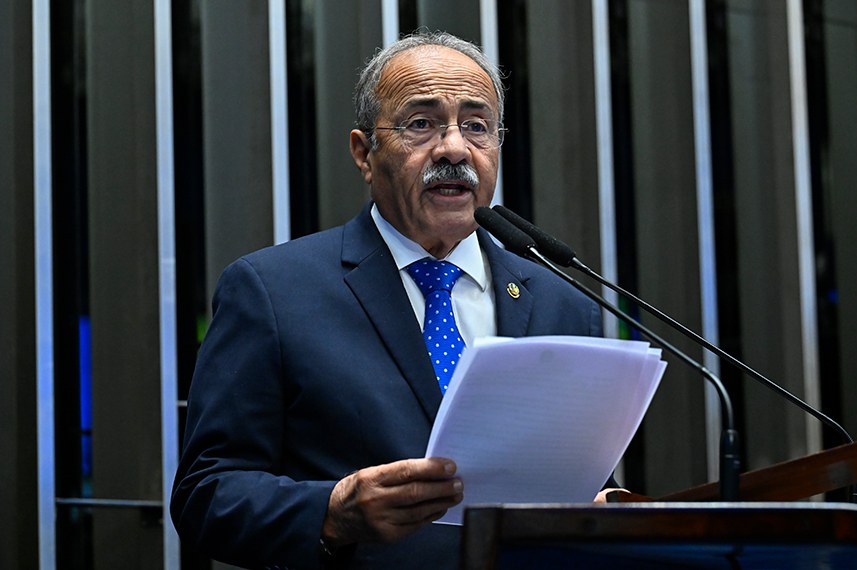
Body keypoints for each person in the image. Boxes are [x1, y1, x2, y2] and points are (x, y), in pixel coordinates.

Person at [171, 31, 611, 569]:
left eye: (477, 126)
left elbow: (585, 480)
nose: (454, 148)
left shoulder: (563, 303)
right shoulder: (273, 291)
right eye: (421, 124)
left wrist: (608, 509)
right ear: (364, 152)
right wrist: (332, 512)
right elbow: (206, 494)